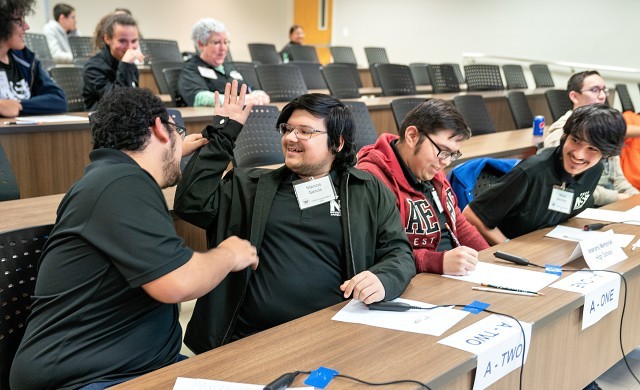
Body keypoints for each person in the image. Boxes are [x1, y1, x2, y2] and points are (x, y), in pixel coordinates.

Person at [9, 86, 256, 390]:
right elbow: (179, 281)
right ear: (158, 128)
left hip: (138, 367)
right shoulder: (120, 184)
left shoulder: (111, 179)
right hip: (87, 379)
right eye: (176, 130)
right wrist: (230, 253)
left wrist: (177, 148)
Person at [174, 80, 416, 353]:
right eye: (287, 129)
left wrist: (383, 279)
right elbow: (190, 204)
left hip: (339, 336)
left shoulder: (366, 190)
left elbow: (399, 253)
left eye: (305, 132)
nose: (290, 138)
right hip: (250, 339)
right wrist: (222, 134)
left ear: (336, 142)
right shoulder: (248, 186)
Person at [357, 99, 488, 276]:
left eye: (452, 154)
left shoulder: (431, 168)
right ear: (412, 136)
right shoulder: (373, 179)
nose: (446, 161)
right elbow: (378, 253)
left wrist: (488, 260)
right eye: (443, 150)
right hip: (412, 281)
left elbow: (457, 222)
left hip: (449, 276)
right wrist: (437, 262)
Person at [463, 104, 627, 245]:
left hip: (549, 245)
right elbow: (471, 214)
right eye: (575, 140)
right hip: (514, 252)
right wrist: (507, 245)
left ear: (606, 154)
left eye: (592, 149)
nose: (578, 155)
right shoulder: (532, 171)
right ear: (565, 136)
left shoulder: (594, 170)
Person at [543, 70, 638, 205]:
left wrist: (635, 197)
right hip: (580, 205)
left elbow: (618, 179)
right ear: (574, 96)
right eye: (594, 90)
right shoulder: (562, 131)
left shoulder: (606, 128)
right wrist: (618, 197)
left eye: (604, 90)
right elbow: (565, 185)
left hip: (610, 204)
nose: (602, 96)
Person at [179, 18, 269, 107]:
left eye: (225, 42)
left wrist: (260, 95)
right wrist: (239, 100)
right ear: (201, 44)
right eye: (217, 42)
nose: (223, 48)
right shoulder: (191, 69)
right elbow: (199, 98)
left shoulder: (229, 67)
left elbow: (250, 89)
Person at [0, 0, 67, 117]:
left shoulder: (27, 60)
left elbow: (59, 100)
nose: (26, 27)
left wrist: (19, 106)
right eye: (19, 21)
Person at [82, 13, 144, 111]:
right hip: (101, 122)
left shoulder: (129, 64)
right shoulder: (93, 67)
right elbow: (117, 101)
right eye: (123, 41)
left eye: (134, 41)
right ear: (107, 39)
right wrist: (125, 65)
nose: (129, 47)